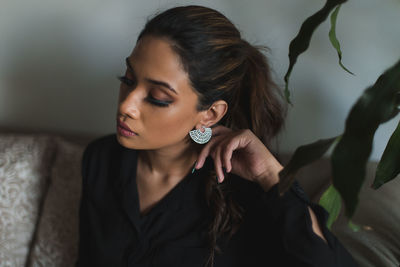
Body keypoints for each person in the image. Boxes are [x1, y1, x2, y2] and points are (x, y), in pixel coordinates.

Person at [76, 5, 358, 267]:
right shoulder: (101, 159)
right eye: (128, 79)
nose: (127, 106)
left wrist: (271, 175)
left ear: (209, 115)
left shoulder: (242, 192)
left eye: (158, 97)